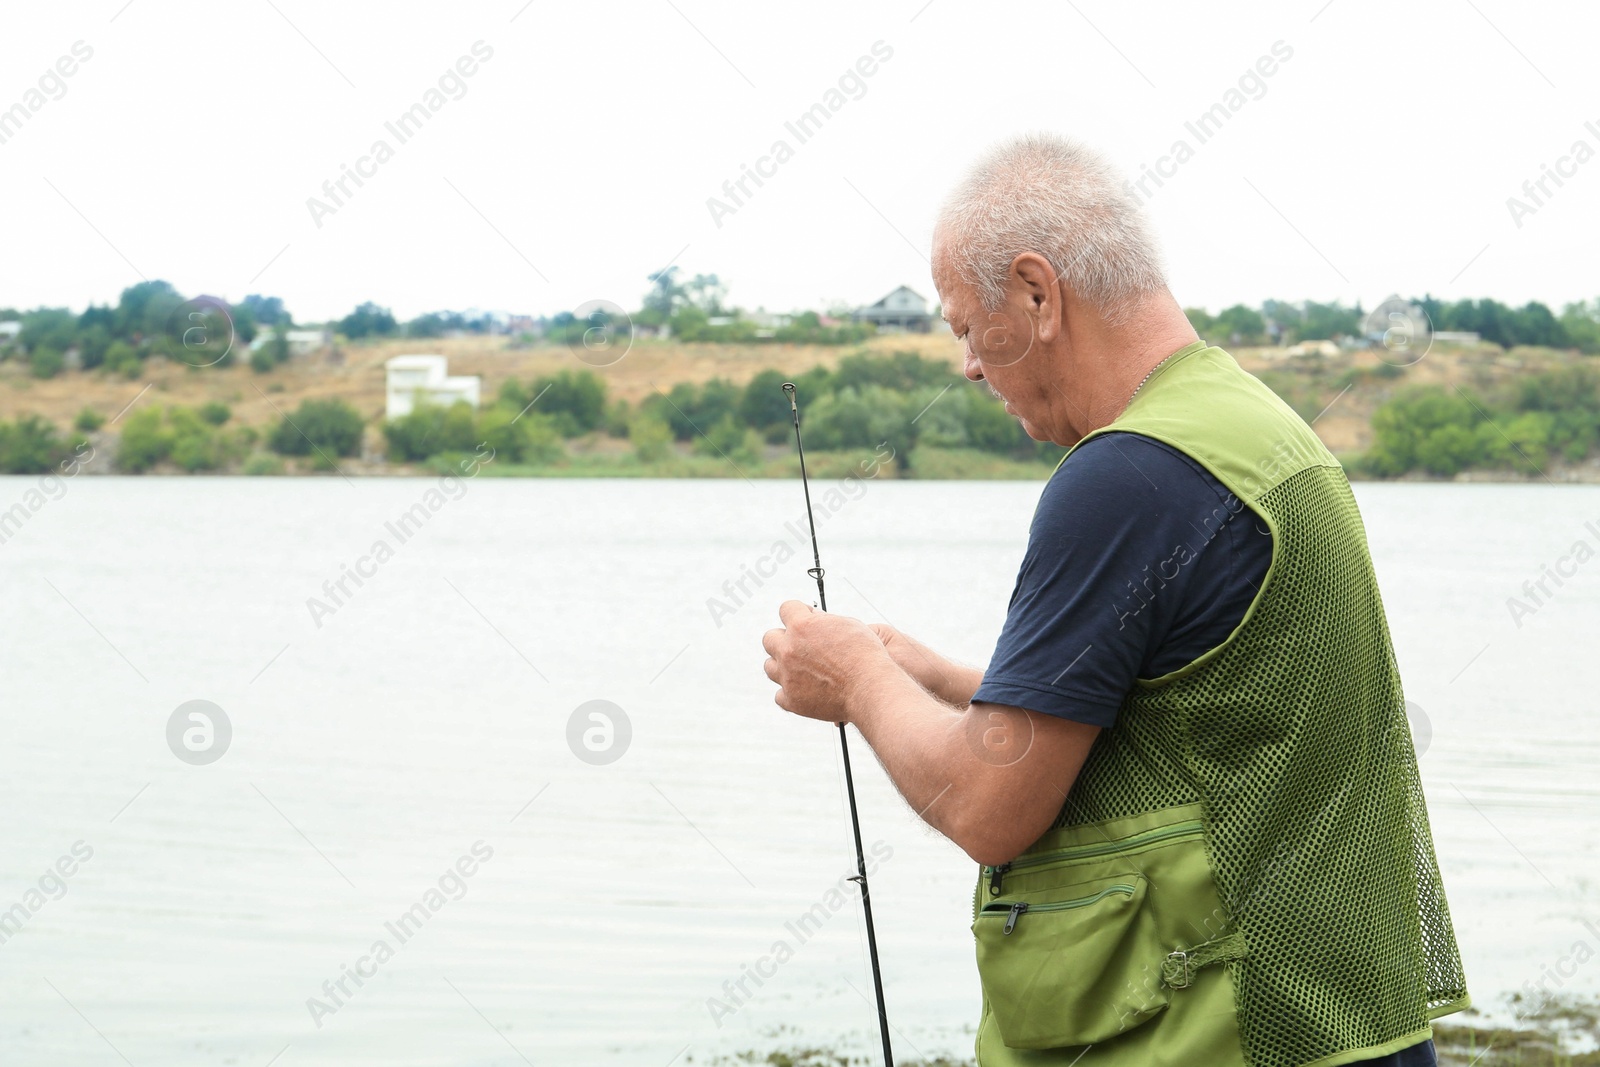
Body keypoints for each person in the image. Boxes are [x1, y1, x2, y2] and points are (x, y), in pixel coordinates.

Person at [761, 134, 1468, 1067]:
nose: (969, 366)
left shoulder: (1127, 476)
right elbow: (1192, 724)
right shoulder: (1255, 429)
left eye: (969, 328)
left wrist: (854, 678)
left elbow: (990, 803)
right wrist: (934, 677)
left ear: (1038, 293)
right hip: (1347, 1031)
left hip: (1224, 1039)